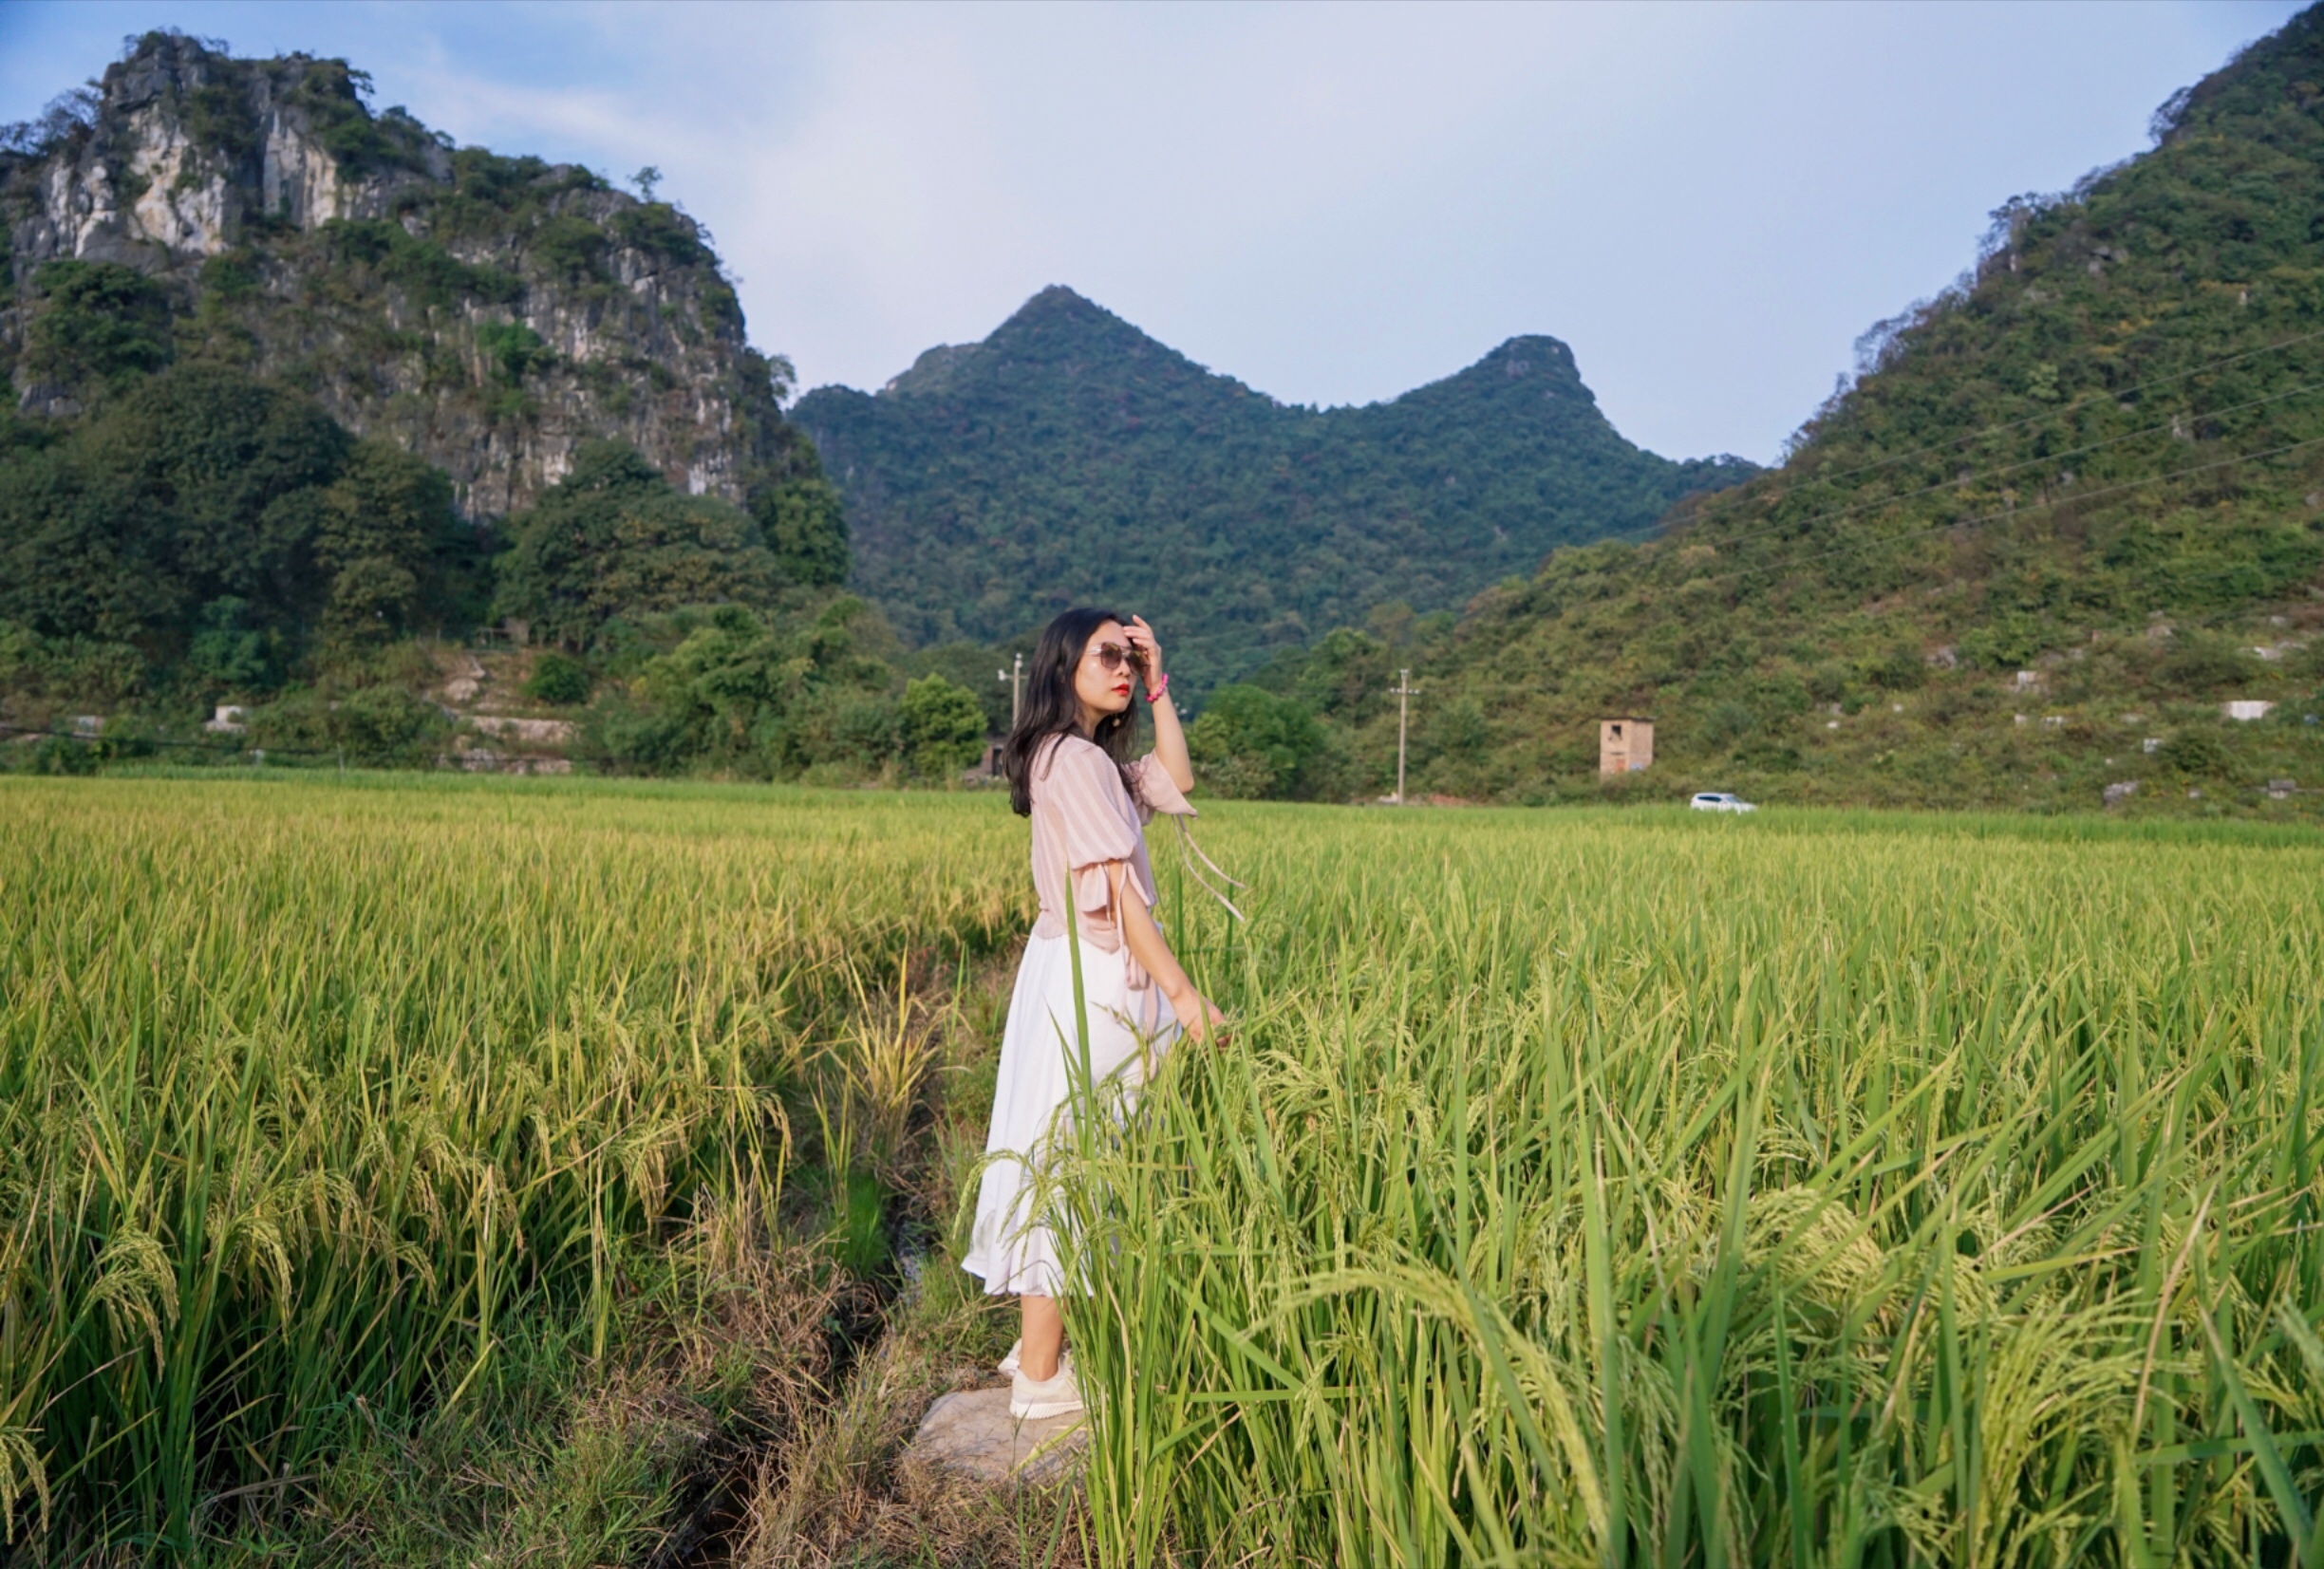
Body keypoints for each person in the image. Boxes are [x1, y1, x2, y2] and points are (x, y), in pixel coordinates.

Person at [962, 607, 1226, 1420]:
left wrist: (1160, 682)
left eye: (1128, 652)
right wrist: (1184, 996)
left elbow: (1176, 777)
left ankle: (1033, 1350)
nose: (1121, 664)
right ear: (1062, 663)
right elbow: (1114, 887)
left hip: (1071, 968)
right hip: (1097, 974)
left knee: (1060, 1153)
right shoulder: (1073, 759)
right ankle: (1042, 1379)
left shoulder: (1080, 759)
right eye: (1105, 653)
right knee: (1075, 1163)